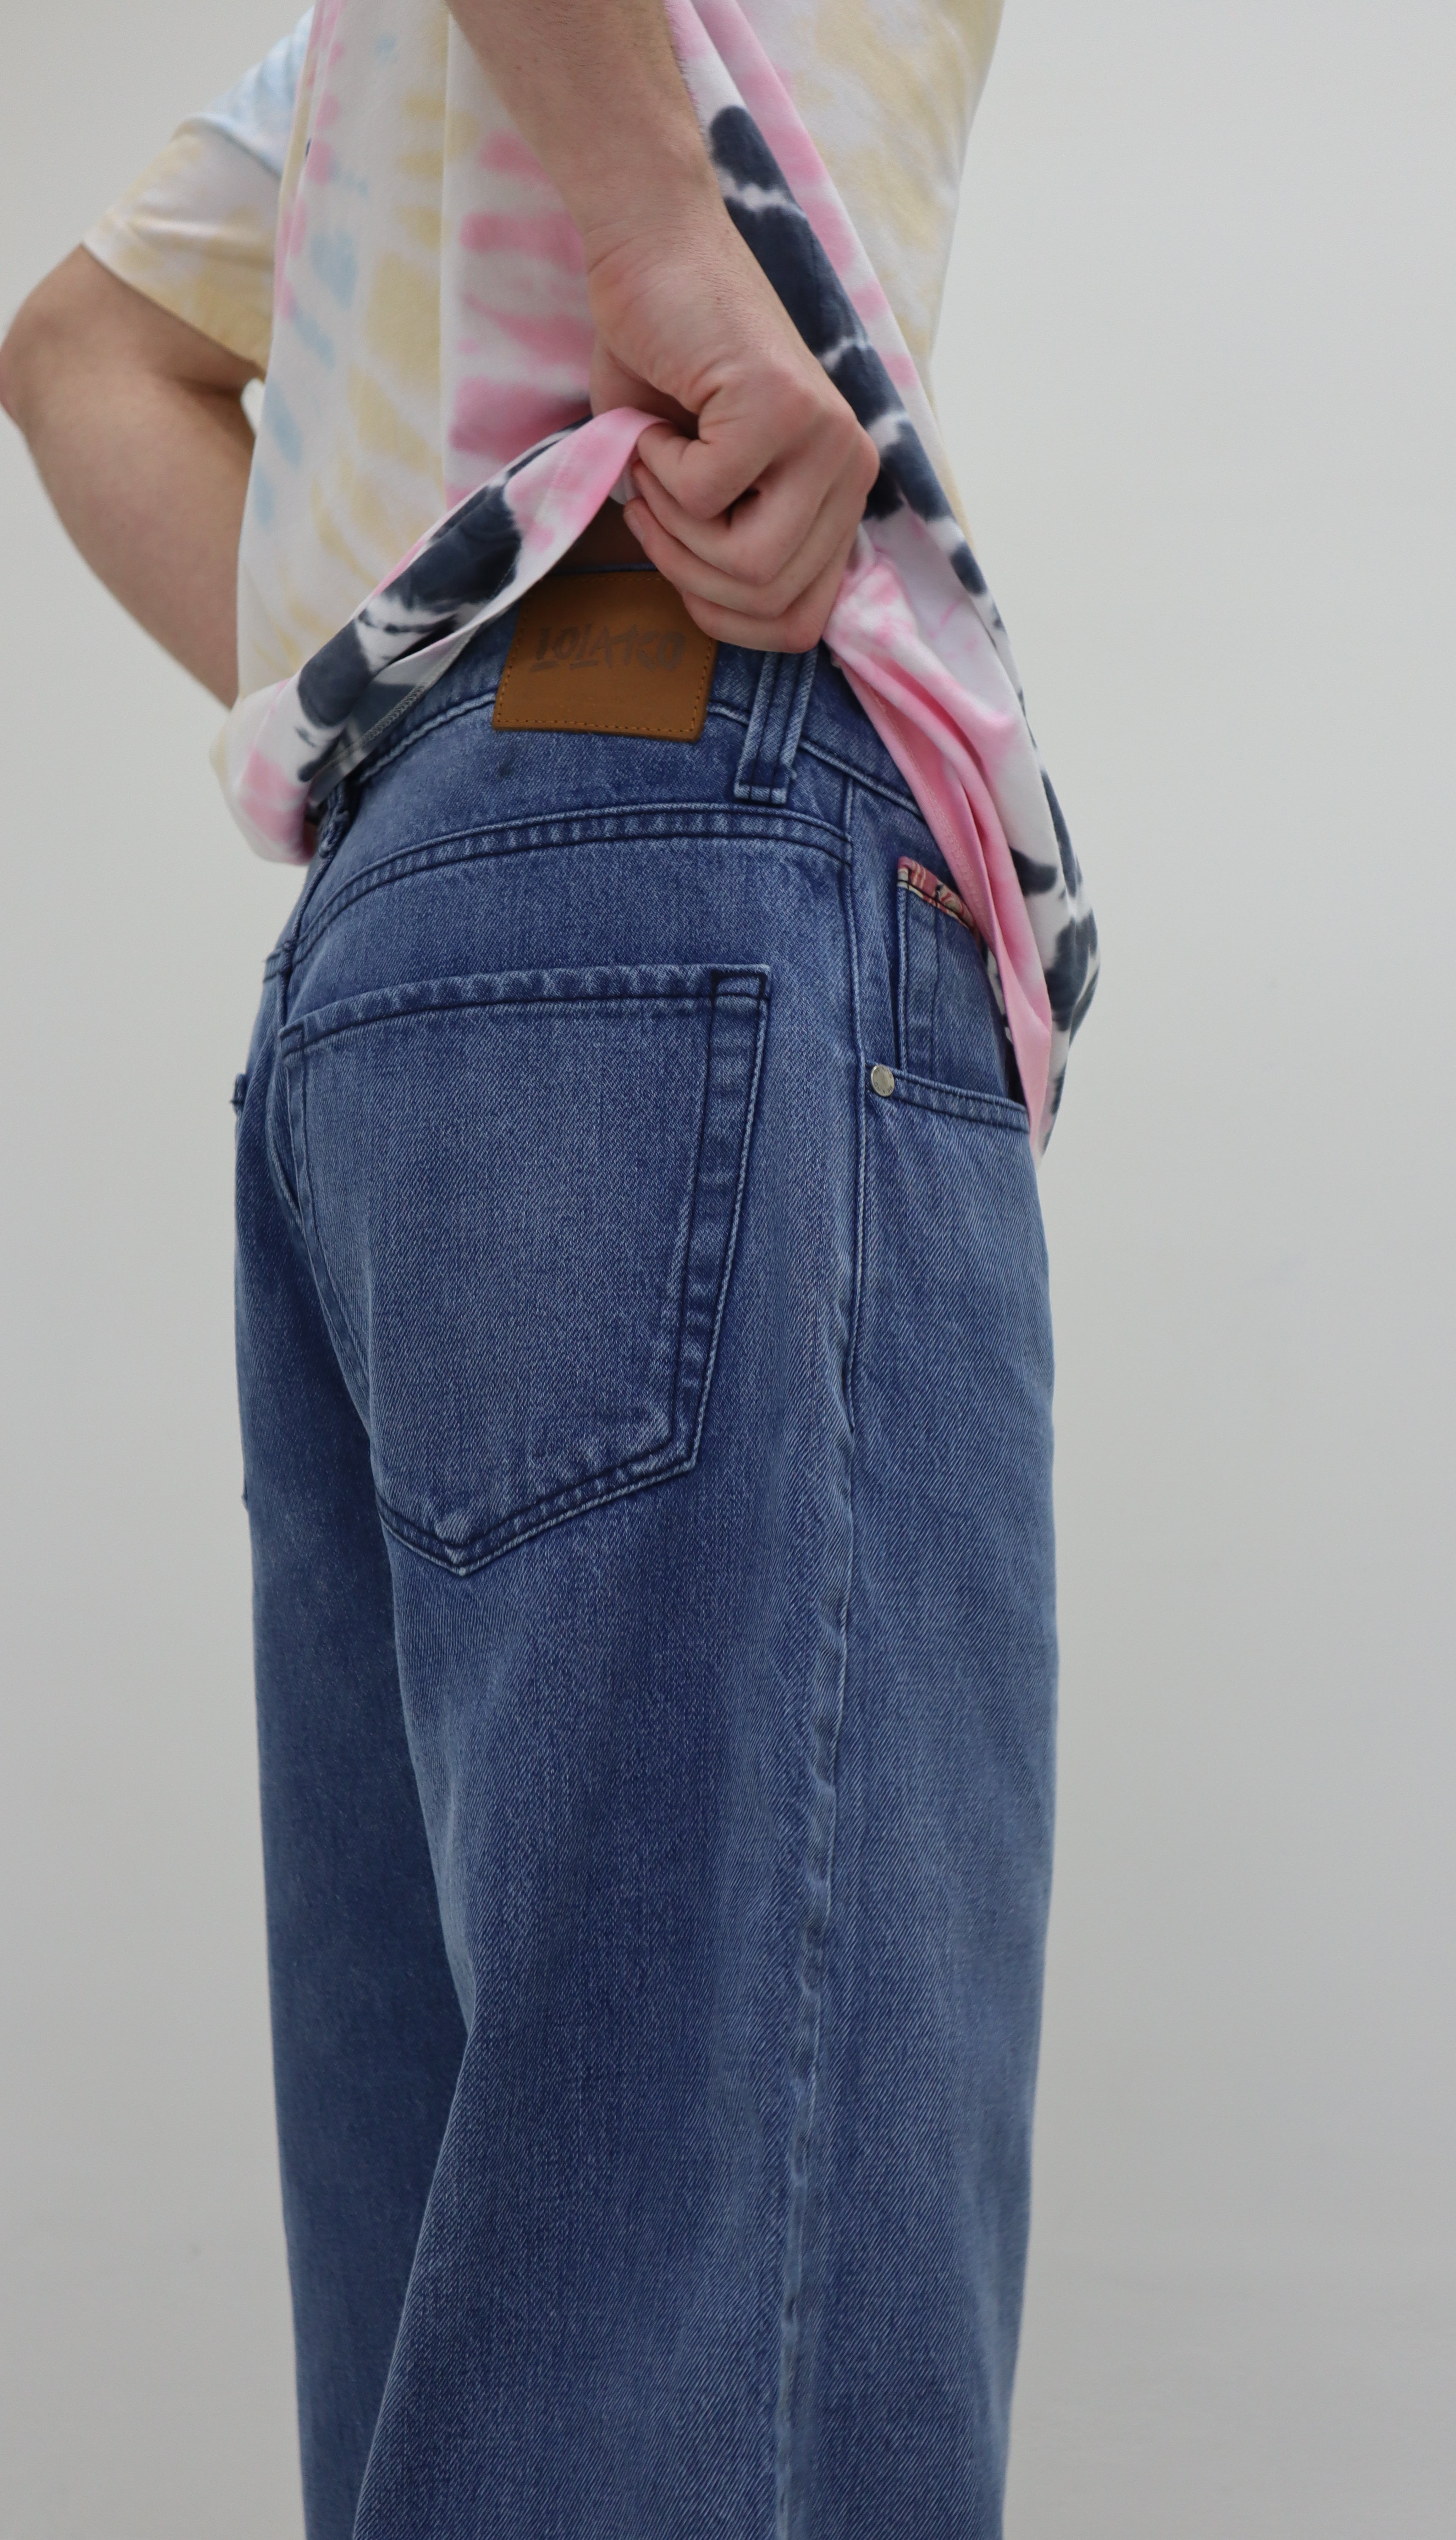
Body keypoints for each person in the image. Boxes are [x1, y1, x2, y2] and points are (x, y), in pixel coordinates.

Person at [0, 3, 1097, 2532]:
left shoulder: (384, 63)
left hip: (417, 936)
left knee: (528, 2317)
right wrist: (673, 260)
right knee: (742, 2351)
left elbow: (85, 348)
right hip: (696, 860)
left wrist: (437, 692)